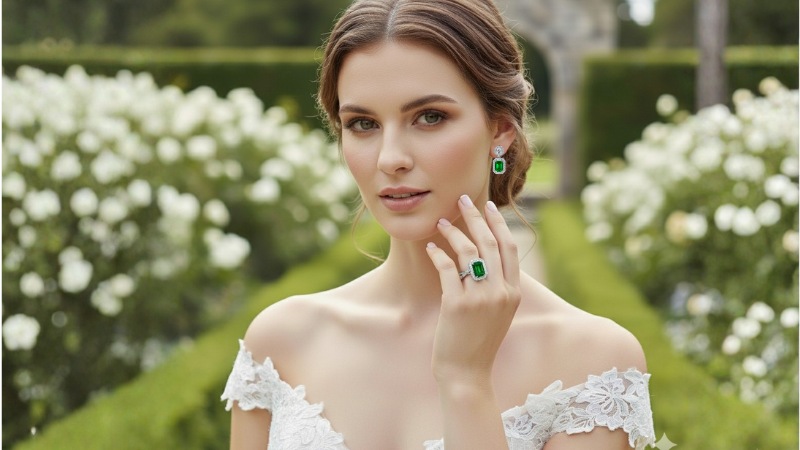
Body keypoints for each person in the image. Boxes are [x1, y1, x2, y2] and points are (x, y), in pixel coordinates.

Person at [221, 0, 655, 448]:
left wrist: (465, 380)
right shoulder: (281, 341)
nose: (391, 159)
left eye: (430, 117)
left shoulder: (593, 361)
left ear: (501, 131)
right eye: (363, 123)